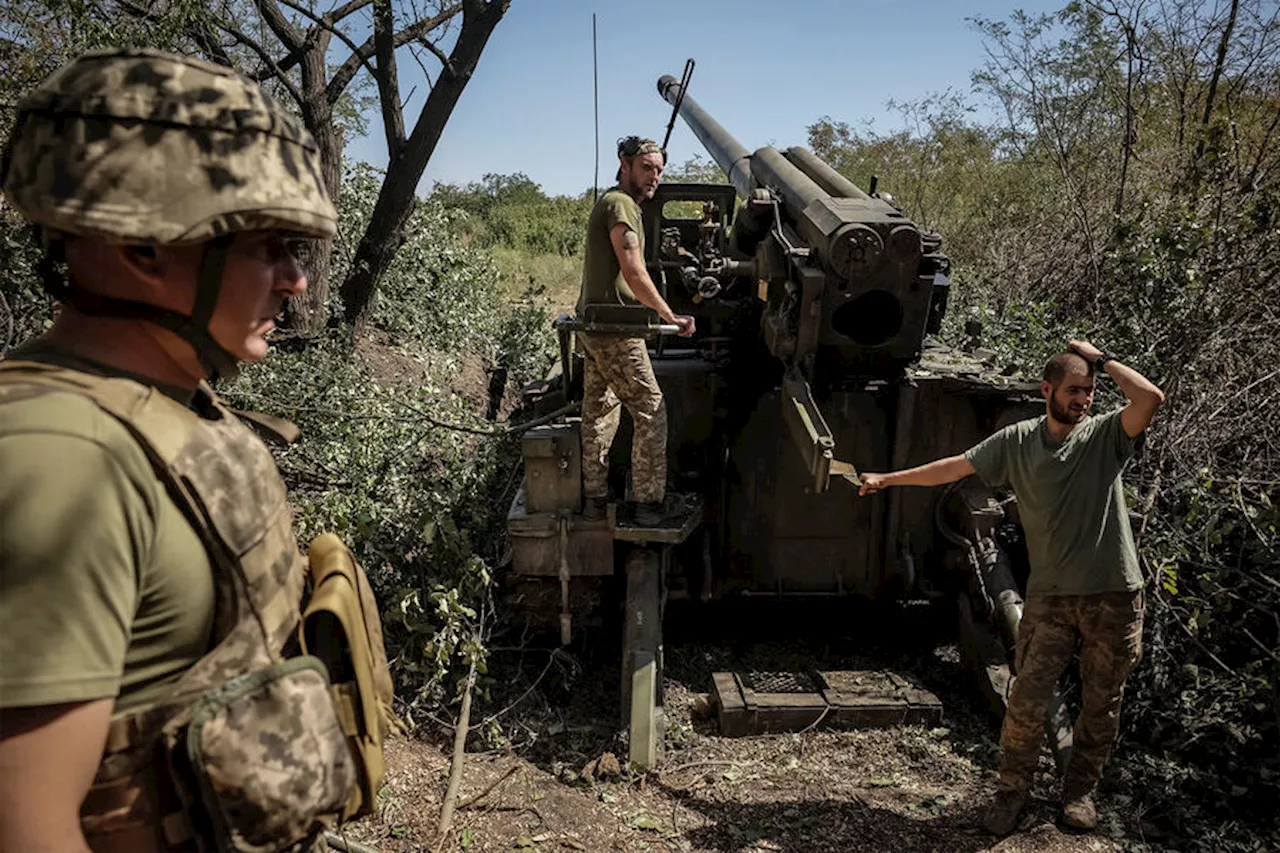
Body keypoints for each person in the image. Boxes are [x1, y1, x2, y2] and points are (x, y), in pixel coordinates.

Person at [0, 49, 388, 853]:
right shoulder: (62, 460)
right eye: (269, 246)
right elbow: (24, 821)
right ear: (146, 247)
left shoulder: (167, 395)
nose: (297, 282)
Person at [858, 340, 1164, 836]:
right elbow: (954, 467)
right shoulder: (1018, 441)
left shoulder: (1106, 435)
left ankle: (1080, 793)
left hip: (1114, 594)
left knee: (1102, 701)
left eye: (1088, 391)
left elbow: (1150, 399)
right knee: (1026, 699)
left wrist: (1101, 360)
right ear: (1047, 390)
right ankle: (1011, 794)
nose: (1082, 400)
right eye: (1072, 390)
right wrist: (888, 479)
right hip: (1050, 596)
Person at [575, 136, 695, 526]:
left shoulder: (612, 202)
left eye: (659, 169)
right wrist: (670, 315)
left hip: (596, 326)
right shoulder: (622, 205)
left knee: (599, 411)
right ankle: (648, 505)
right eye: (647, 167)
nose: (655, 176)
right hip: (615, 330)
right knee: (650, 410)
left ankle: (594, 499)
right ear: (624, 164)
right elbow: (633, 270)